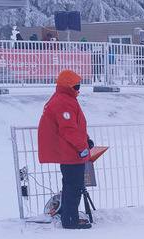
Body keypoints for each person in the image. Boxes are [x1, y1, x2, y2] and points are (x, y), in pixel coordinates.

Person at [38, 69, 94, 229]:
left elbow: (75, 126)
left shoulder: (65, 98)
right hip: (71, 152)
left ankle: (68, 215)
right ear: (69, 85)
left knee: (70, 184)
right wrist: (82, 147)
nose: (79, 87)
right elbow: (68, 129)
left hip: (70, 151)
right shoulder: (64, 101)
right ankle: (70, 219)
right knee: (74, 186)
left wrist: (86, 139)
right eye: (76, 84)